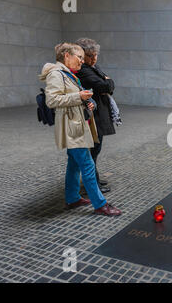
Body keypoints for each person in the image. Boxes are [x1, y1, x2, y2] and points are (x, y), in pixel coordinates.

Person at [38, 42, 121, 216]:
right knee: (87, 164)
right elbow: (52, 100)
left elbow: (69, 97)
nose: (82, 61)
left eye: (83, 58)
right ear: (67, 55)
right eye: (80, 57)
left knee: (74, 165)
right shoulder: (56, 74)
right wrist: (78, 96)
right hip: (72, 128)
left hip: (75, 124)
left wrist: (86, 101)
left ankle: (72, 198)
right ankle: (101, 205)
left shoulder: (67, 74)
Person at [75, 38, 115, 194]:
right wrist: (107, 82)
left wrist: (108, 82)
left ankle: (94, 179)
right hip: (93, 115)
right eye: (91, 55)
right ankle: (92, 184)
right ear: (83, 55)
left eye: (95, 55)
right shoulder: (84, 70)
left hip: (99, 112)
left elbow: (108, 84)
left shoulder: (93, 67)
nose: (95, 58)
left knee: (96, 150)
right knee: (93, 151)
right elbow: (105, 85)